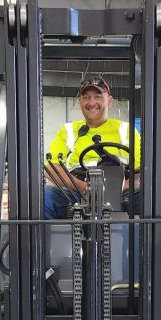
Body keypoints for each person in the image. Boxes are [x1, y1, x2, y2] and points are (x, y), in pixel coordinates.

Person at [44, 76, 143, 219]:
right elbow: (51, 167)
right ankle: (43, 241)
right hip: (77, 192)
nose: (91, 102)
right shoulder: (69, 130)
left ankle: (151, 241)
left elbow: (142, 169)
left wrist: (120, 187)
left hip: (123, 191)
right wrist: (81, 186)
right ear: (80, 102)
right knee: (41, 197)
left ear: (109, 100)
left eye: (98, 96)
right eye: (86, 97)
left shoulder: (126, 130)